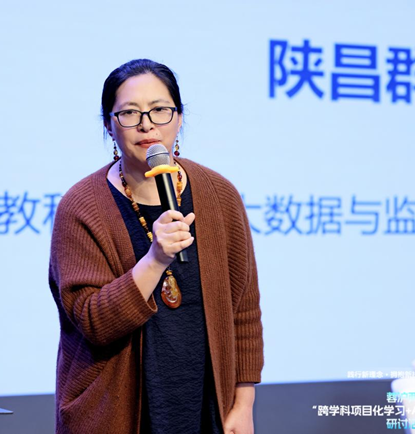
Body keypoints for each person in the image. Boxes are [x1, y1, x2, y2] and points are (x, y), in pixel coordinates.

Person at [48, 59, 263, 434]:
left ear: (179, 118)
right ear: (109, 124)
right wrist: (156, 258)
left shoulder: (219, 194)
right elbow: (93, 322)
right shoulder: (81, 207)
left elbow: (243, 307)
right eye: (130, 113)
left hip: (207, 407)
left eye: (160, 110)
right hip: (114, 412)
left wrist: (243, 405)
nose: (147, 124)